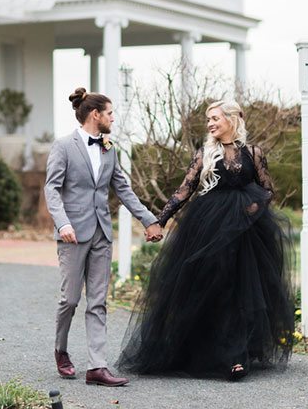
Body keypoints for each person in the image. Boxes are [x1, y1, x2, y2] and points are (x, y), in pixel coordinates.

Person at [118, 99, 294, 381]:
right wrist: (158, 221)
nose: (210, 123)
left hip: (247, 233)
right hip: (210, 229)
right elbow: (184, 191)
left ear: (232, 119)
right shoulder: (204, 154)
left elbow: (267, 190)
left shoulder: (253, 152)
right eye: (208, 119)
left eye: (215, 118)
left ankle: (237, 356)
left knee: (241, 291)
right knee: (216, 289)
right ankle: (210, 352)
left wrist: (252, 209)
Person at [45, 87, 162, 387]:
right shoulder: (63, 146)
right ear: (95, 115)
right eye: (110, 113)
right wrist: (62, 224)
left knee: (97, 302)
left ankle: (97, 367)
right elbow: (52, 189)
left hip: (101, 234)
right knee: (70, 300)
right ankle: (61, 350)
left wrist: (149, 220)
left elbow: (123, 189)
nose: (113, 117)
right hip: (72, 235)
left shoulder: (110, 148)